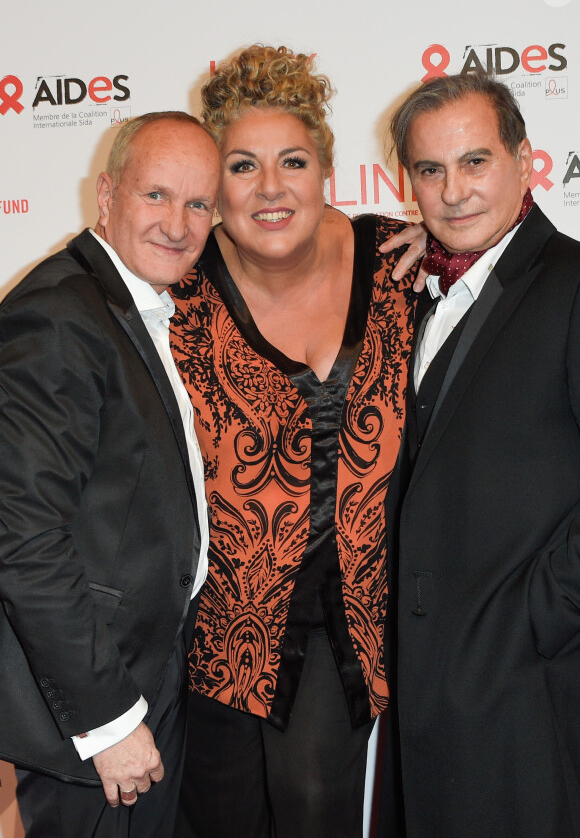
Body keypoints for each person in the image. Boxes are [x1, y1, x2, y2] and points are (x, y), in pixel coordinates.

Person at [169, 44, 424, 838]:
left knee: (318, 804)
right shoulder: (175, 290)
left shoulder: (398, 261)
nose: (271, 188)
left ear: (325, 169)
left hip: (354, 622)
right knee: (220, 818)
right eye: (243, 167)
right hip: (215, 629)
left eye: (293, 161)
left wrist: (449, 252)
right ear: (215, 186)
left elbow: (510, 277)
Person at [0, 111, 220, 837]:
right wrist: (108, 723)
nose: (178, 224)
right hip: (97, 714)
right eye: (156, 196)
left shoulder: (127, 303)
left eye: (198, 204)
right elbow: (23, 538)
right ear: (106, 195)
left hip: (143, 679)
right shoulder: (60, 316)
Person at [384, 72, 580, 837]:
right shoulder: (415, 286)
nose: (454, 191)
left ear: (525, 160)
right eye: (431, 170)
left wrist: (542, 615)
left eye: (475, 162)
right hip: (423, 695)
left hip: (530, 688)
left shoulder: (570, 283)